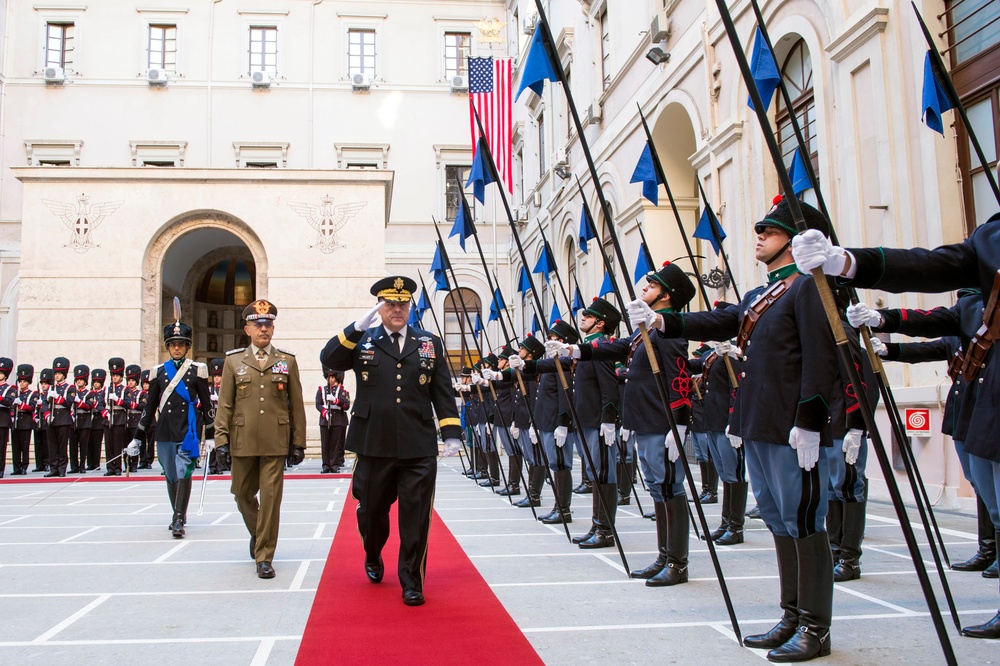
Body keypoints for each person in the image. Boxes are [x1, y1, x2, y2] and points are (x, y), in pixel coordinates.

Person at [646, 197, 841, 660]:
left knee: (804, 521)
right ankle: (791, 615)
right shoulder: (759, 296)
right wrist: (663, 320)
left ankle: (816, 628)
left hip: (792, 426)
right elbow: (721, 319)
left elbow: (821, 357)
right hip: (757, 422)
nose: (758, 237)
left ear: (794, 241)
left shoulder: (811, 288)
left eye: (768, 232)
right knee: (777, 519)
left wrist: (811, 419)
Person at [793, 210, 1000, 638]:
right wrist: (848, 263)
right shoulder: (991, 243)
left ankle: (847, 552)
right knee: (991, 493)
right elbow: (935, 273)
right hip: (986, 407)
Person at [320, 276, 462, 607]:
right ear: (379, 307)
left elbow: (441, 390)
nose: (396, 309)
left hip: (418, 443)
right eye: (389, 303)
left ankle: (412, 580)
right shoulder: (363, 340)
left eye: (402, 304)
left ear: (410, 307)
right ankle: (372, 551)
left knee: (416, 517)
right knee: (372, 513)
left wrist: (451, 431)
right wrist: (355, 327)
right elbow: (330, 358)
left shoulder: (429, 342)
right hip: (373, 444)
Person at [553, 264, 696, 584]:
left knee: (670, 487)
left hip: (662, 422)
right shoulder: (644, 330)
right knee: (659, 488)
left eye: (652, 285)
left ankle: (678, 562)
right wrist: (578, 349)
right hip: (644, 420)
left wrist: (680, 423)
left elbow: (679, 376)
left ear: (667, 296)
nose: (644, 288)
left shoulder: (668, 330)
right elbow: (616, 348)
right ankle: (664, 556)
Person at [214, 299, 306, 579]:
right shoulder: (233, 361)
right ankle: (258, 533)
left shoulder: (286, 361)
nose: (263, 329)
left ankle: (264, 556)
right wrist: (221, 440)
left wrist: (298, 441)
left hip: (275, 441)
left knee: (270, 499)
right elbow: (225, 404)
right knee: (241, 493)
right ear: (247, 329)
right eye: (258, 325)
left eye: (268, 324)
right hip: (242, 440)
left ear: (273, 329)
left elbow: (296, 404)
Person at [128, 310, 214, 539]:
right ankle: (178, 512)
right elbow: (150, 407)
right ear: (168, 346)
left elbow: (207, 406)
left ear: (187, 347)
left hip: (188, 431)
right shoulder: (157, 373)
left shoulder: (197, 371)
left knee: (184, 471)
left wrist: (212, 435)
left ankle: (177, 518)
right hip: (164, 430)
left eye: (181, 344)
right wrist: (138, 436)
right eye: (173, 344)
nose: (177, 348)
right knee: (170, 474)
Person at [45, 357, 75, 477]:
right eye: (55, 373)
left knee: (62, 446)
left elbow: (69, 403)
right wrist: (47, 414)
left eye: (59, 373)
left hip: (63, 419)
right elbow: (43, 403)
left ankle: (62, 468)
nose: (56, 376)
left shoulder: (70, 388)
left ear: (64, 374)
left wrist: (57, 397)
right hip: (51, 419)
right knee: (52, 446)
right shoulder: (51, 387)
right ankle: (54, 468)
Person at [317, 368, 350, 473]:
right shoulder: (322, 389)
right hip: (325, 419)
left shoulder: (342, 390)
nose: (330, 379)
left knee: (335, 444)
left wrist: (336, 401)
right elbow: (318, 404)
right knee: (325, 443)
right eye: (329, 377)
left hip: (337, 419)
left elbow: (346, 405)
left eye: (332, 377)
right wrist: (324, 411)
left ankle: (334, 465)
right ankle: (326, 465)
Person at [11, 364, 37, 475]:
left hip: (25, 422)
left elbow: (31, 407)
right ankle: (16, 467)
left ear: (28, 382)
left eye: (24, 381)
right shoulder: (14, 393)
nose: (22, 383)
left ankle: (24, 467)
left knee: (24, 446)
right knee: (15, 447)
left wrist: (21, 404)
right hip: (15, 422)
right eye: (20, 381)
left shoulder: (32, 394)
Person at [106, 358, 130, 473]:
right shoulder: (107, 389)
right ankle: (110, 467)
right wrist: (105, 412)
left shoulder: (125, 389)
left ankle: (118, 467)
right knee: (109, 445)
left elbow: (128, 403)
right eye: (113, 375)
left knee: (117, 445)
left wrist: (117, 400)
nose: (114, 377)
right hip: (108, 418)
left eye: (117, 375)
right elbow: (100, 403)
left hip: (119, 418)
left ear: (121, 377)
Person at [69, 364, 91, 474]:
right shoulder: (73, 392)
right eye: (77, 380)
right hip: (73, 421)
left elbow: (89, 406)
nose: (79, 382)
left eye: (81, 380)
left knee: (83, 446)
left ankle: (82, 465)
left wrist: (79, 402)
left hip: (84, 422)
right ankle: (74, 466)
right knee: (73, 446)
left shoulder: (89, 393)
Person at [33, 367, 53, 473]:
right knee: (38, 444)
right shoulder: (38, 395)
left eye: (45, 383)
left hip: (46, 421)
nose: (43, 385)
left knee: (46, 444)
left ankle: (47, 463)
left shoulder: (50, 395)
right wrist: (34, 417)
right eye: (42, 383)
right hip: (38, 422)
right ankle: (39, 464)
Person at [123, 365, 143, 471]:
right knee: (125, 444)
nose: (130, 382)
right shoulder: (124, 392)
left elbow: (143, 406)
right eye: (129, 380)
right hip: (126, 421)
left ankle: (134, 463)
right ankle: (127, 464)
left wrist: (132, 404)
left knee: (134, 444)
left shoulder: (141, 393)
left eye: (132, 380)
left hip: (135, 421)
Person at [0, 357, 15, 478]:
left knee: (1, 447)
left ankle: (0, 470)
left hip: (2, 420)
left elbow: (9, 402)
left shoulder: (10, 388)